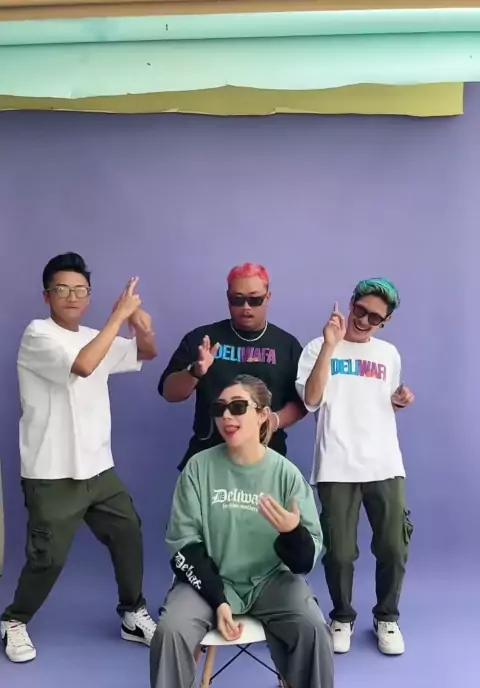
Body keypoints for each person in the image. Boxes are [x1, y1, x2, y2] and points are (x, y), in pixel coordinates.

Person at [139, 374, 349, 688]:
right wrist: (217, 600)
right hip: (209, 582)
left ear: (262, 416)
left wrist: (292, 533)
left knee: (313, 627)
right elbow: (183, 546)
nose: (227, 416)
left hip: (271, 580)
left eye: (238, 407)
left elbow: (306, 559)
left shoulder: (285, 474)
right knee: (170, 631)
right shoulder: (198, 469)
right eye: (219, 408)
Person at [1, 252, 158, 664]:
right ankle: (14, 620)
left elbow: (147, 352)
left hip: (98, 469)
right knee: (47, 558)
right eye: (63, 289)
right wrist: (118, 316)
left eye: (80, 290)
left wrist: (139, 324)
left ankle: (132, 612)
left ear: (89, 296)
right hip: (51, 472)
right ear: (47, 295)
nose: (72, 297)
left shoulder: (95, 334)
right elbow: (85, 365)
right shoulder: (38, 335)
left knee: (128, 532)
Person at [295, 278, 415, 657]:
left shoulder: (389, 354)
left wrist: (399, 399)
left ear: (386, 321)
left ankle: (387, 617)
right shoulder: (317, 347)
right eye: (359, 310)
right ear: (350, 304)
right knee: (339, 552)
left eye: (374, 317)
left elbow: (378, 400)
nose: (363, 320)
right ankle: (342, 617)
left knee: (394, 547)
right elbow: (311, 400)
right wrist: (330, 345)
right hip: (336, 465)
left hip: (385, 464)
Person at [158, 262, 305, 470]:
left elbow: (303, 402)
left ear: (268, 297)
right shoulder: (202, 339)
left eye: (255, 300)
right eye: (238, 299)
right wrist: (195, 372)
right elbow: (169, 392)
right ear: (228, 298)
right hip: (207, 460)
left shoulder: (286, 346)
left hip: (266, 461)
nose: (246, 307)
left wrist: (275, 420)